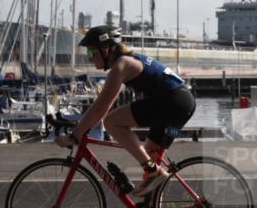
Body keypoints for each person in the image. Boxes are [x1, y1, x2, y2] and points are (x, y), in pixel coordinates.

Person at [56, 25, 196, 198]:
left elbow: (100, 108)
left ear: (106, 49)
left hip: (172, 101)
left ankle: (152, 170)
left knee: (111, 122)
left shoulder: (121, 65)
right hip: (178, 100)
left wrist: (75, 135)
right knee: (148, 157)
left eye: (91, 52)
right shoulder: (127, 61)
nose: (90, 58)